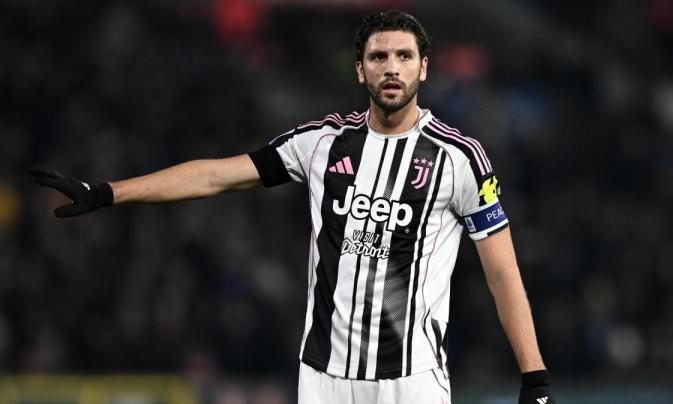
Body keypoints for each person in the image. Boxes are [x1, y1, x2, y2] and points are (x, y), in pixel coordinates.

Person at [31, 10, 556, 404]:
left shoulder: (459, 159)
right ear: (360, 70)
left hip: (410, 381)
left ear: (424, 68)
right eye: (378, 57)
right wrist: (108, 192)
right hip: (323, 380)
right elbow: (215, 175)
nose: (391, 68)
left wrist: (534, 377)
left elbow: (502, 273)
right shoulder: (320, 142)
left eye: (403, 56)